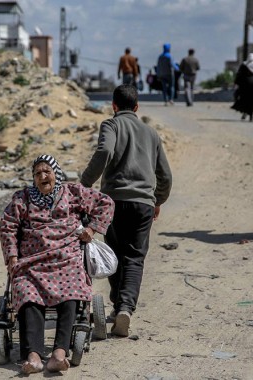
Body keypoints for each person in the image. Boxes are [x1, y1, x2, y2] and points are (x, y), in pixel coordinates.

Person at [0, 154, 114, 374]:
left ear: (56, 174)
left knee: (72, 288)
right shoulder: (22, 199)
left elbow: (105, 203)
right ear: (33, 178)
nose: (43, 176)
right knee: (25, 291)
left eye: (47, 172)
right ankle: (33, 356)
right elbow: (7, 226)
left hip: (66, 258)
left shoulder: (72, 193)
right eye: (38, 173)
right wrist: (12, 256)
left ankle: (59, 353)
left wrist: (91, 229)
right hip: (31, 262)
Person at [80, 84, 173, 337]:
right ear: (137, 107)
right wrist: (158, 200)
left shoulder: (111, 125)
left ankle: (117, 305)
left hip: (112, 203)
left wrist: (85, 183)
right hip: (143, 203)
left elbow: (105, 151)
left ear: (113, 106)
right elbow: (165, 175)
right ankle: (125, 309)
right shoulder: (152, 134)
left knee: (114, 253)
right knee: (134, 257)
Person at [231, 53, 253, 121]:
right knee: (252, 100)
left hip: (245, 84)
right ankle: (250, 116)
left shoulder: (244, 65)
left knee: (245, 99)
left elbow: (239, 75)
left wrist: (236, 83)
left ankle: (245, 113)